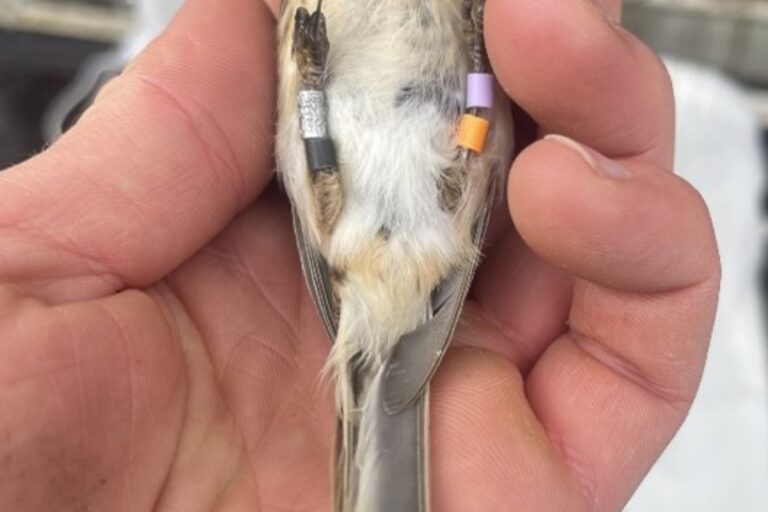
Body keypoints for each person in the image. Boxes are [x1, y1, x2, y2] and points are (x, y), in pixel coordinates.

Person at [0, 0, 719, 510]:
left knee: (438, 146)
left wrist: (327, 72)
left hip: (385, 227)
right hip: (391, 222)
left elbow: (338, 137)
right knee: (431, 151)